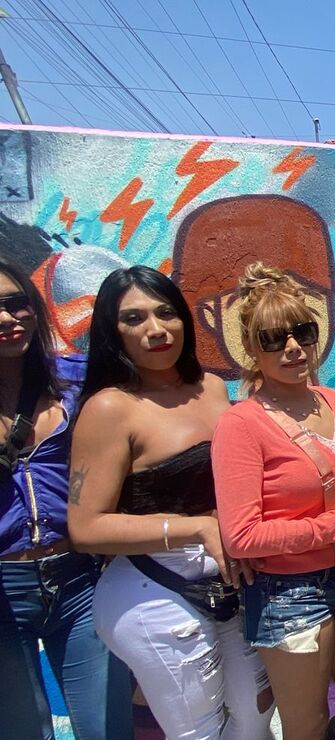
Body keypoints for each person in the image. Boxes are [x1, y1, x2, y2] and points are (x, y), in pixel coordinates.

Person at [66, 265, 274, 740]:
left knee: (255, 719)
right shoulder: (110, 408)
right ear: (111, 332)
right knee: (197, 731)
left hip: (234, 583)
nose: (156, 330)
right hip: (153, 592)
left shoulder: (214, 388)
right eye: (134, 319)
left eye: (166, 313)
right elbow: (86, 527)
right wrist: (198, 527)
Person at [212, 262, 335, 740]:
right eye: (272, 339)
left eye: (302, 332)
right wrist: (332, 527)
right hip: (285, 594)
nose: (292, 348)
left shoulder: (328, 399)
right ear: (251, 349)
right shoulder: (241, 424)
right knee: (306, 724)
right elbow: (242, 535)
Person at [0, 256, 132, 740]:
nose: (7, 319)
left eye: (16, 304)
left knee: (107, 727)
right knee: (21, 729)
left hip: (78, 578)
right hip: (4, 588)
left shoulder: (76, 379)